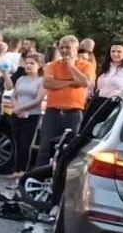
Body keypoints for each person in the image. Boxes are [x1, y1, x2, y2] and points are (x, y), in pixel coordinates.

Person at [36, 35, 94, 167]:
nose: (64, 50)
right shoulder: (53, 65)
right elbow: (48, 83)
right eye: (61, 48)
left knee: (70, 148)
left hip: (73, 112)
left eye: (67, 47)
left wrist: (71, 67)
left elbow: (85, 82)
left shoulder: (86, 65)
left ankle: (62, 176)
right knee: (45, 146)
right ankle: (39, 175)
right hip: (53, 111)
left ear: (76, 48)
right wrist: (71, 82)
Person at [11, 53, 45, 173]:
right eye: (27, 63)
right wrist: (16, 108)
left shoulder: (41, 81)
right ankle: (15, 170)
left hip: (32, 115)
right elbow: (14, 95)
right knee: (17, 143)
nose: (28, 66)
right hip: (17, 114)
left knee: (26, 143)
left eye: (32, 63)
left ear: (39, 65)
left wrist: (22, 108)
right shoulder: (21, 79)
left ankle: (23, 171)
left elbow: (38, 100)